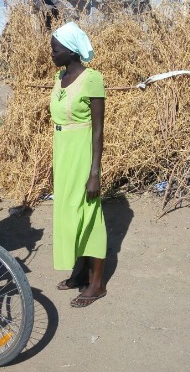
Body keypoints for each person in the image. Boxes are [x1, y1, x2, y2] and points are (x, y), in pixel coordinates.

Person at [49, 22, 108, 308]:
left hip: (83, 155)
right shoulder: (59, 78)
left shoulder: (92, 79)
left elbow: (98, 130)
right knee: (68, 214)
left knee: (89, 214)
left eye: (55, 48)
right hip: (63, 154)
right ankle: (79, 271)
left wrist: (94, 173)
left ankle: (96, 284)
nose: (52, 53)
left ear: (71, 50)